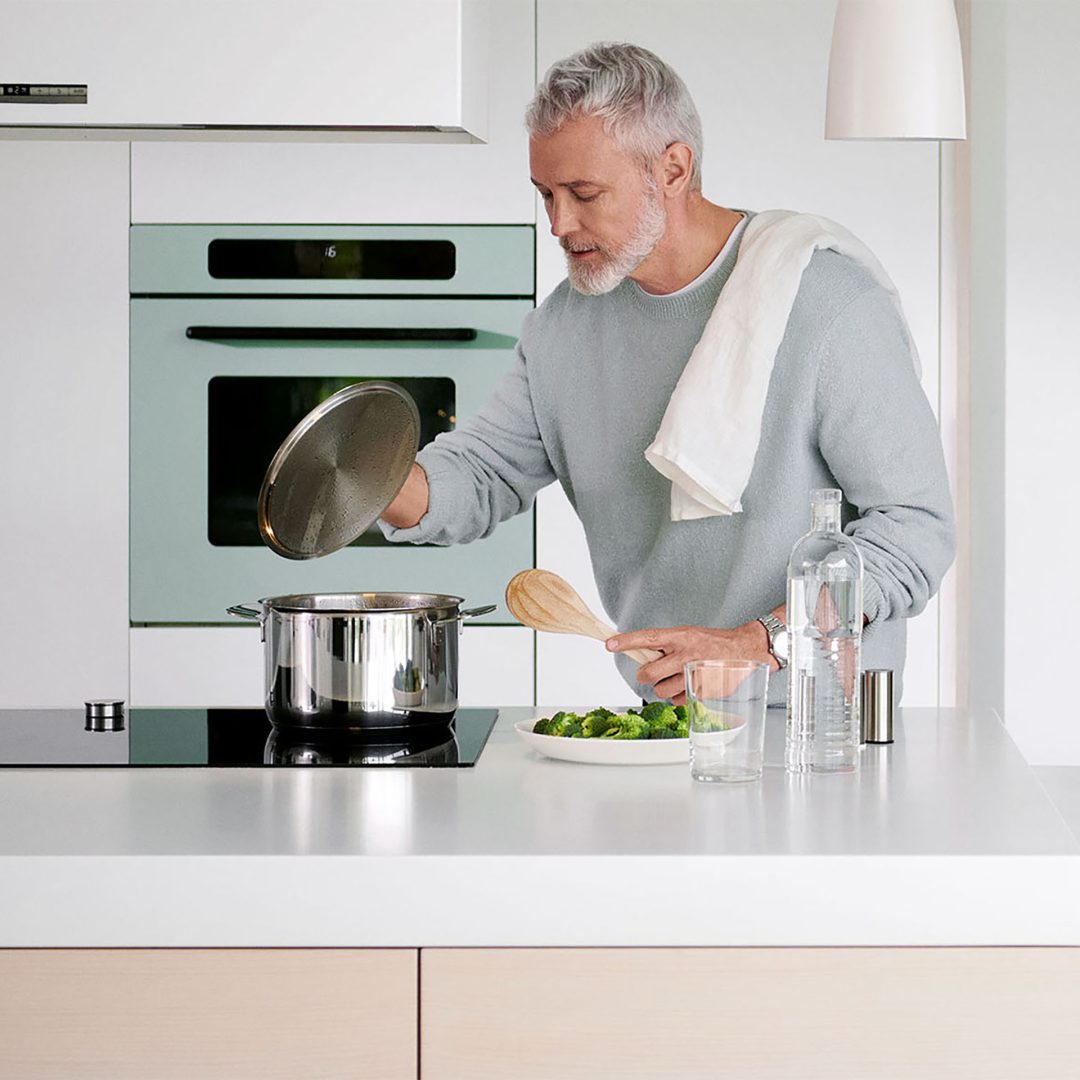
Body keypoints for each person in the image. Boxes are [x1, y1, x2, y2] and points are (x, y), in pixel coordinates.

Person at [380, 41, 955, 706]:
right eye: (545, 194)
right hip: (666, 723)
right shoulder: (564, 326)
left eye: (584, 193)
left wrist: (759, 641)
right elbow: (483, 475)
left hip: (816, 730)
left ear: (673, 169)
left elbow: (915, 528)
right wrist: (361, 477)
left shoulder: (826, 303)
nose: (559, 224)